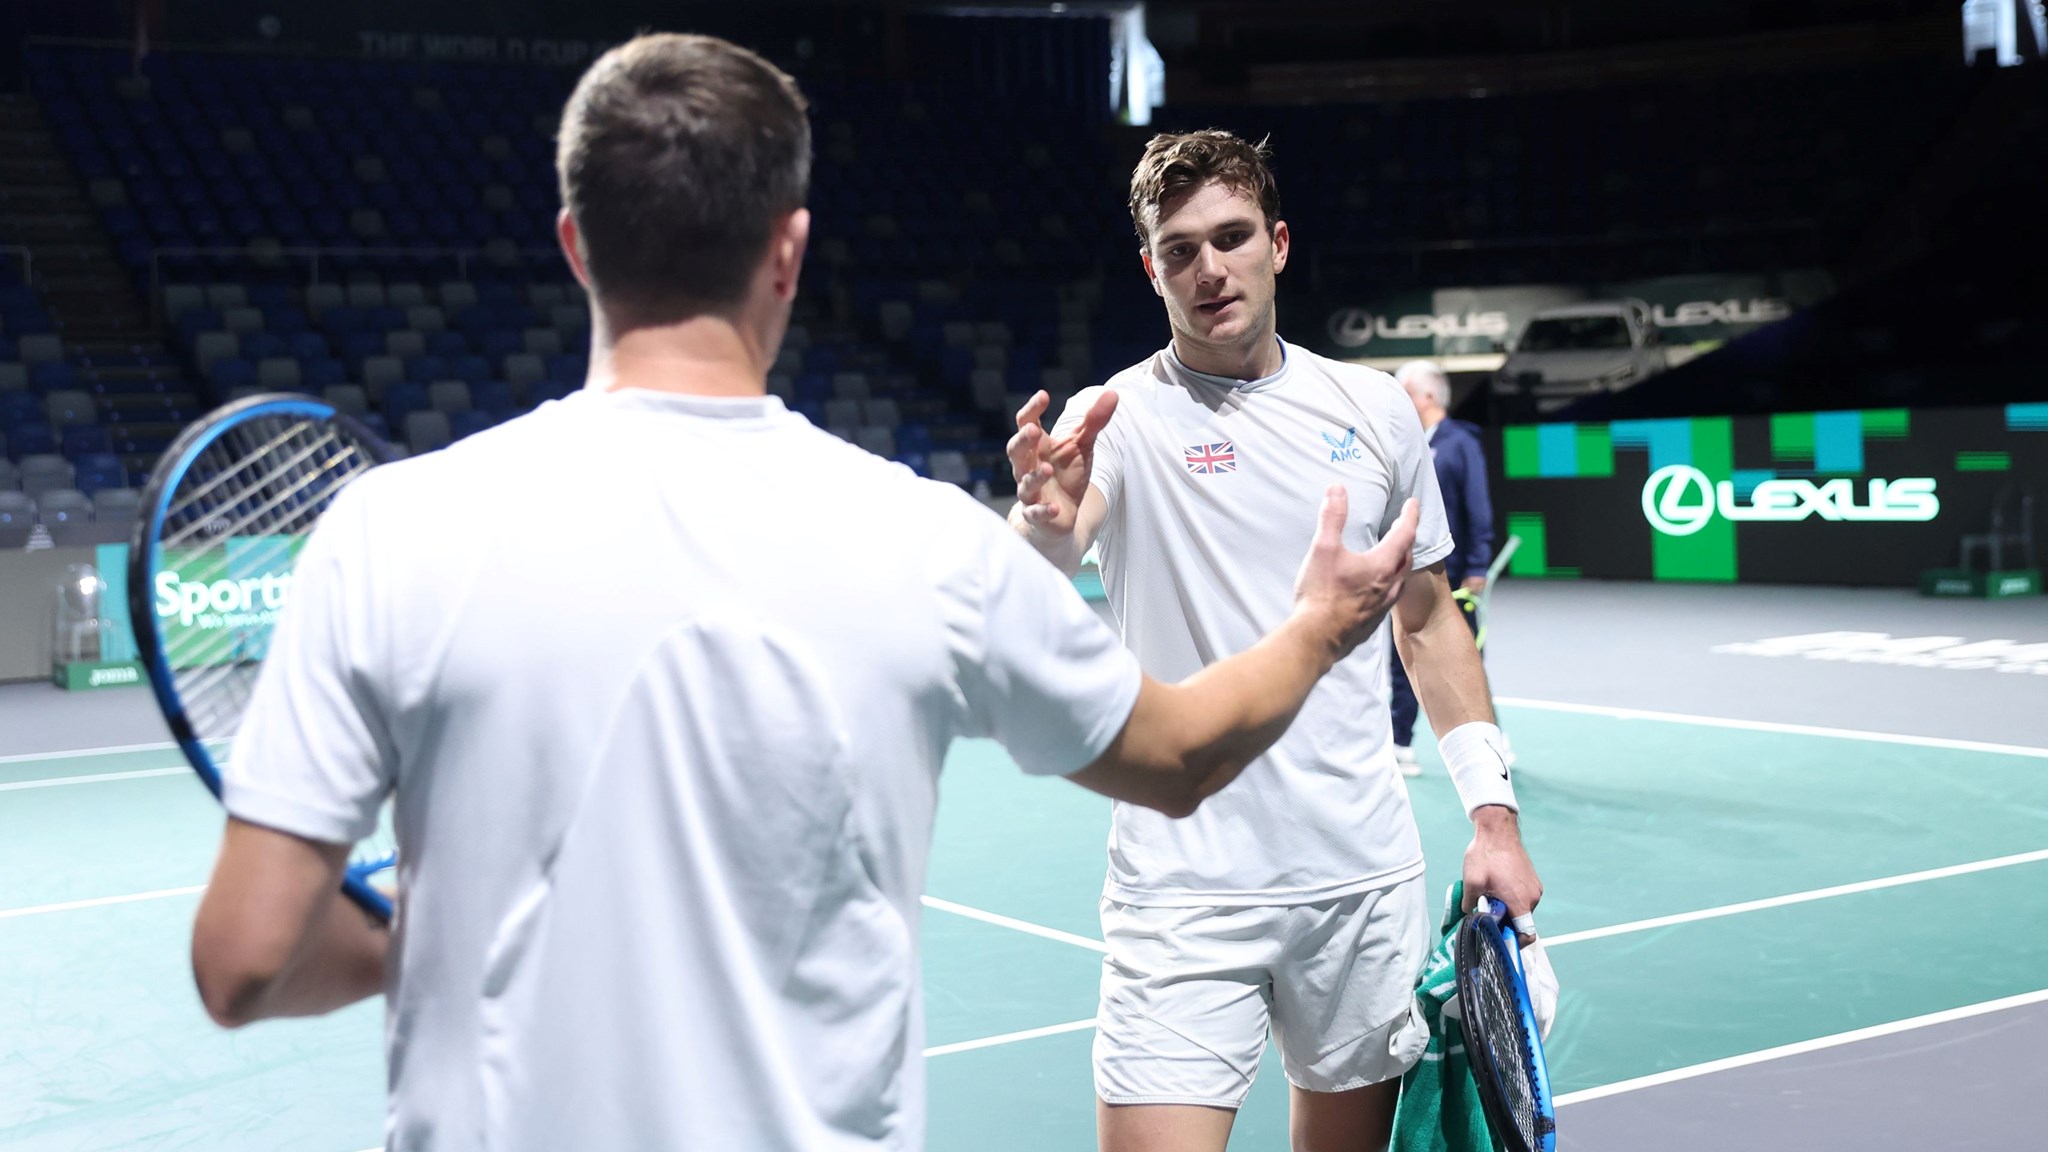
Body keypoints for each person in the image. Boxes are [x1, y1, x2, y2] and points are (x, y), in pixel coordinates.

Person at [184, 35, 1426, 1152]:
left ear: (574, 244)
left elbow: (243, 962)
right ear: (789, 250)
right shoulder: (925, 542)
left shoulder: (389, 530)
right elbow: (1181, 756)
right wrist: (1321, 628)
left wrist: (424, 931)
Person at [1006, 130, 1543, 1152]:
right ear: (1149, 268)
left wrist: (1494, 817)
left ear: (1278, 243)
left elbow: (1425, 624)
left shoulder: (1376, 408)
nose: (1207, 269)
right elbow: (1030, 575)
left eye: (1230, 237)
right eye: (1178, 249)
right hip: (1179, 890)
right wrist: (1038, 519)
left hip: (1355, 882)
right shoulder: (1110, 419)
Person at [1388, 359, 1497, 778]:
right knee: (1403, 659)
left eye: (1406, 393)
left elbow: (1477, 507)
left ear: (1427, 397)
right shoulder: (1405, 442)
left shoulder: (1460, 442)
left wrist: (1477, 566)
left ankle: (1488, 748)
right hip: (1408, 571)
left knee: (1466, 659)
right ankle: (1400, 743)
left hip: (1453, 576)